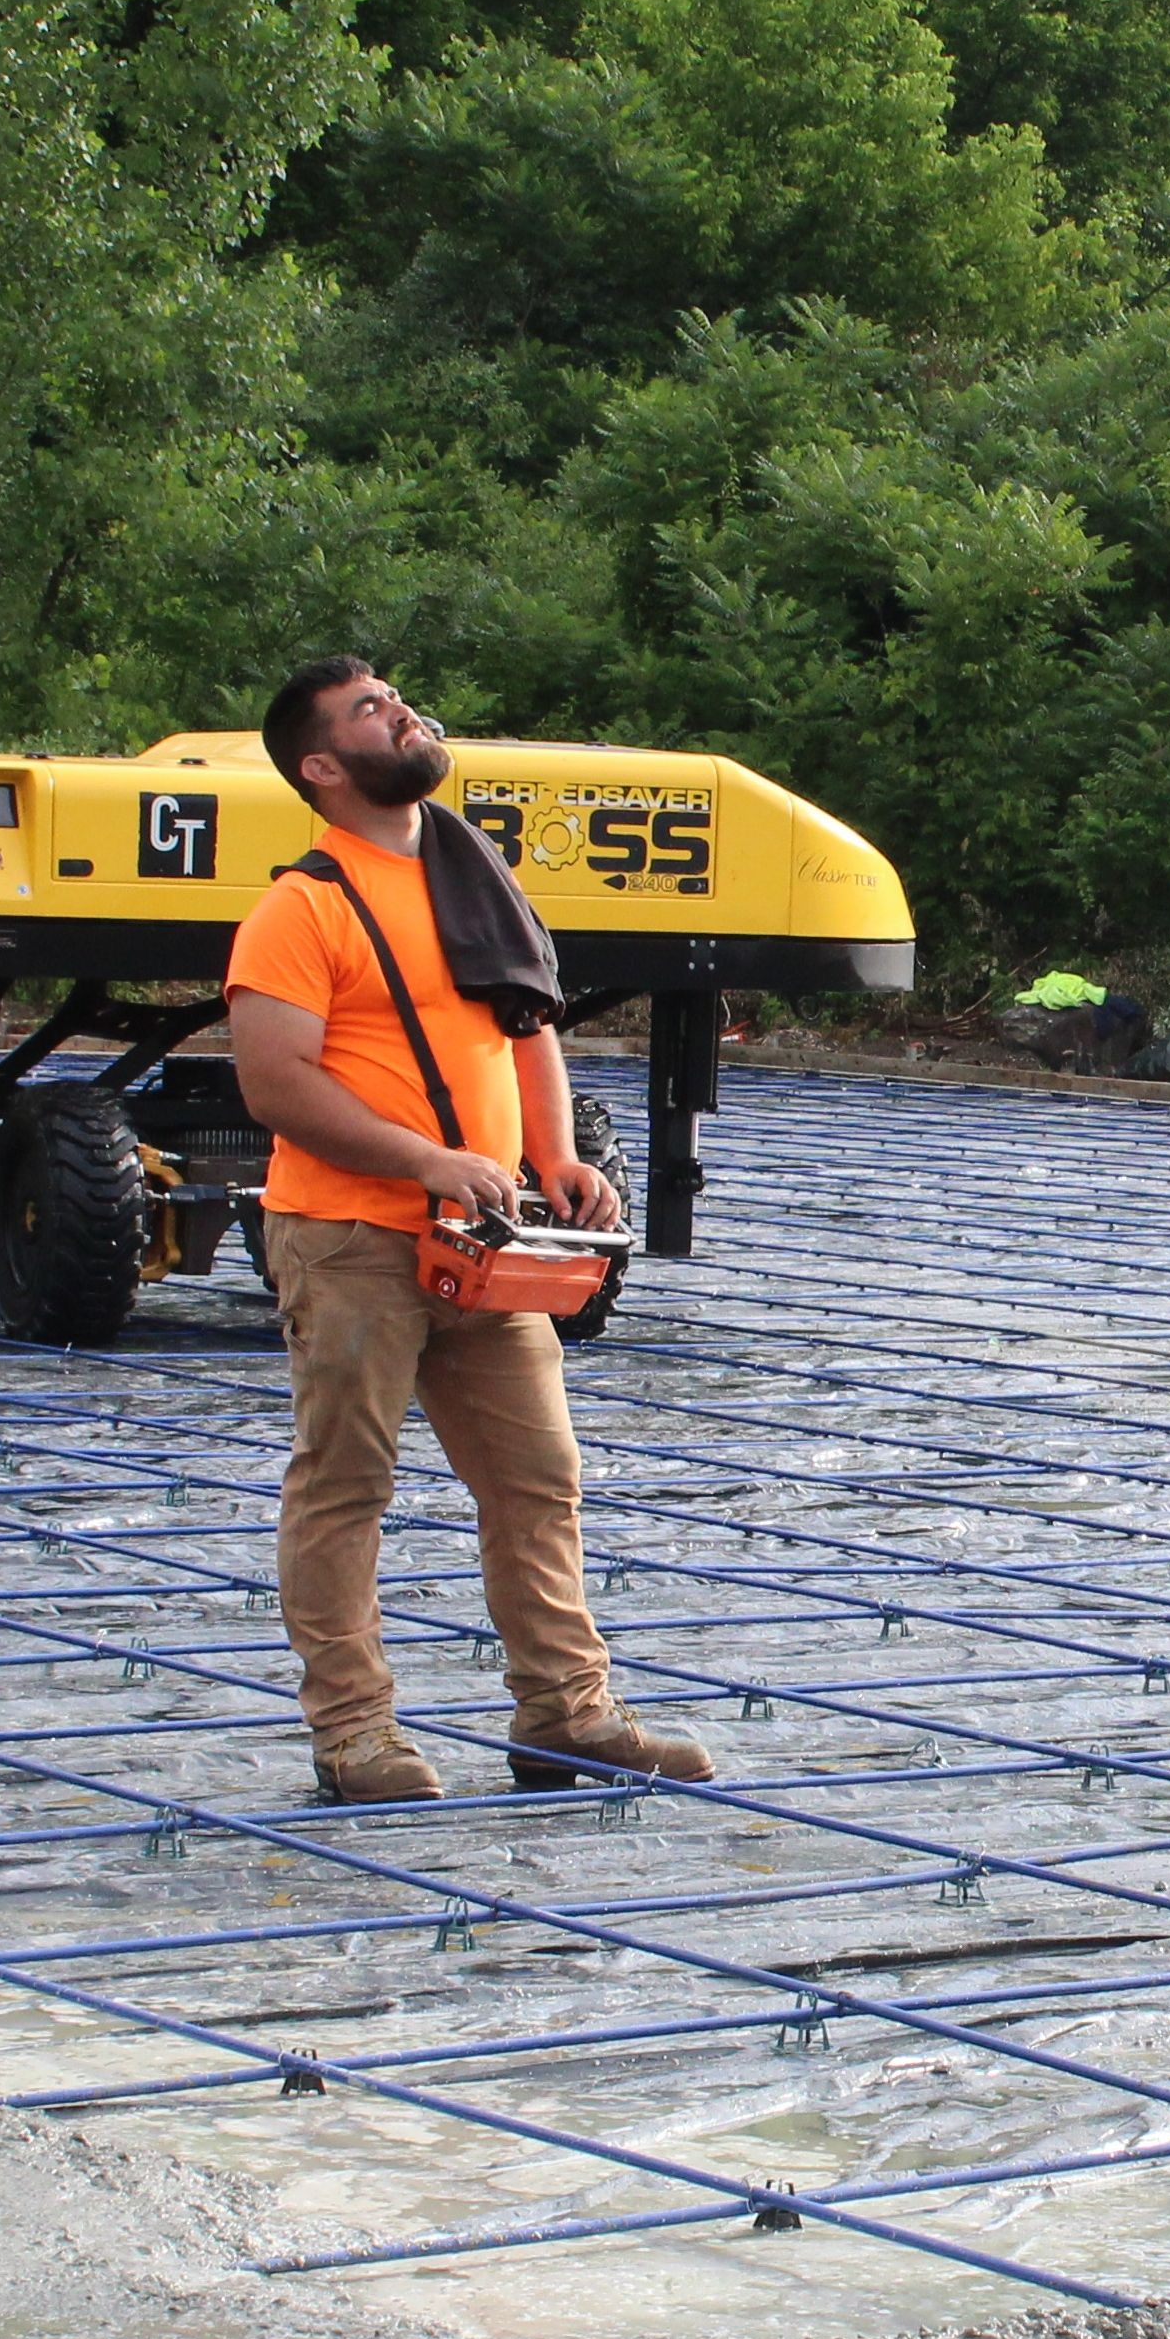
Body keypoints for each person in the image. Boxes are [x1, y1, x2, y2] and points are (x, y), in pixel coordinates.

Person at [222, 655, 714, 1804]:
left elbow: (525, 1026)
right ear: (323, 767)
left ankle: (566, 1719)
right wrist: (427, 1161)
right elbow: (275, 1085)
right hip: (348, 1238)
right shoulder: (300, 908)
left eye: (393, 696)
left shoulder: (464, 875)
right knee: (346, 1485)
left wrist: (558, 1160)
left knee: (538, 1478)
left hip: (486, 1244)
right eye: (368, 712)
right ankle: (354, 1737)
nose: (400, 711)